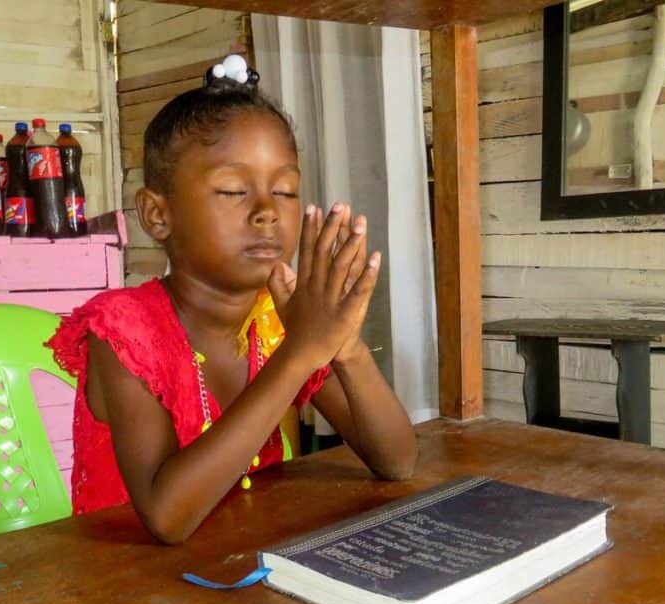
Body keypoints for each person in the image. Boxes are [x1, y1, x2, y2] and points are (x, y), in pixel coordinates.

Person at [47, 55, 417, 544]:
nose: (266, 211)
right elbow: (166, 517)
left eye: (285, 191)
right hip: (126, 593)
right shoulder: (124, 331)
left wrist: (342, 344)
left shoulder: (277, 321)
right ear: (158, 215)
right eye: (232, 190)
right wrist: (301, 353)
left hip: (241, 570)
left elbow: (397, 461)